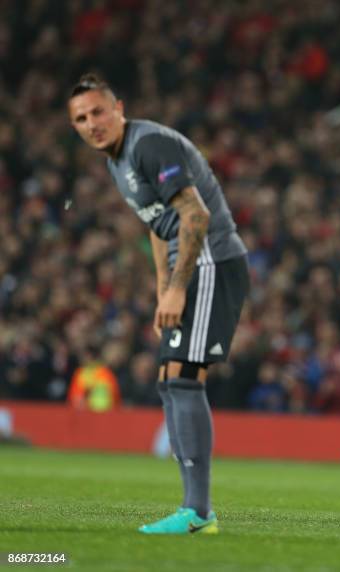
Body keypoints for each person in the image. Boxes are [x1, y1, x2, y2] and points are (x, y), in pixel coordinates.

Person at [68, 74, 249, 535]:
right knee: (172, 380)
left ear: (119, 108)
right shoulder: (116, 160)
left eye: (98, 112)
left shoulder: (149, 145)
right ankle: (194, 508)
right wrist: (160, 285)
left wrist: (176, 287)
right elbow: (157, 224)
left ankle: (199, 512)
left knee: (184, 377)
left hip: (211, 260)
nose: (93, 124)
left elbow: (195, 215)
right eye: (81, 119)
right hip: (189, 265)